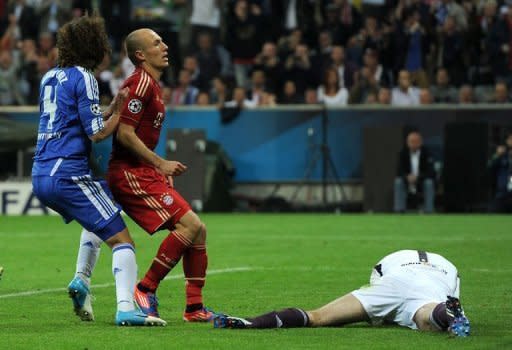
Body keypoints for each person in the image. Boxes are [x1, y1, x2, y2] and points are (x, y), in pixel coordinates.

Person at [31, 15, 165, 327]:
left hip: (41, 173)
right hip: (68, 173)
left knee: (103, 210)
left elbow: (73, 119)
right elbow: (96, 133)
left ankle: (81, 280)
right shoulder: (85, 77)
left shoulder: (50, 77)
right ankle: (126, 309)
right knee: (122, 240)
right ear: (92, 45)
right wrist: (119, 111)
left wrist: (109, 110)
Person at [105, 28, 217, 322]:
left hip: (142, 171)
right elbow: (125, 134)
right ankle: (144, 288)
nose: (165, 46)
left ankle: (194, 307)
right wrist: (160, 163)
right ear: (141, 55)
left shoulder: (152, 85)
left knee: (198, 229)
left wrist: (156, 166)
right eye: (157, 43)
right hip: (129, 173)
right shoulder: (140, 83)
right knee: (190, 225)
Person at [213, 250, 470, 338]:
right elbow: (453, 284)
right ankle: (448, 314)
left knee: (317, 317)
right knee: (426, 316)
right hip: (437, 279)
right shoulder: (449, 270)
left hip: (393, 278)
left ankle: (252, 322)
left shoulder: (384, 270)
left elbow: (377, 277)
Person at [394, 131, 436, 213]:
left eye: (415, 142)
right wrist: (407, 177)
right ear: (407, 143)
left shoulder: (427, 153)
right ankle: (399, 210)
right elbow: (399, 171)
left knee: (429, 183)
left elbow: (431, 172)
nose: (413, 144)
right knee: (398, 182)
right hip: (407, 181)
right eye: (411, 142)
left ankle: (429, 210)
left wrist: (418, 177)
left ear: (420, 142)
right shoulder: (402, 153)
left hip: (422, 180)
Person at [488, 132, 512, 212]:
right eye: (510, 139)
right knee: (495, 212)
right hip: (502, 191)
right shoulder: (502, 155)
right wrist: (497, 155)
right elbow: (490, 166)